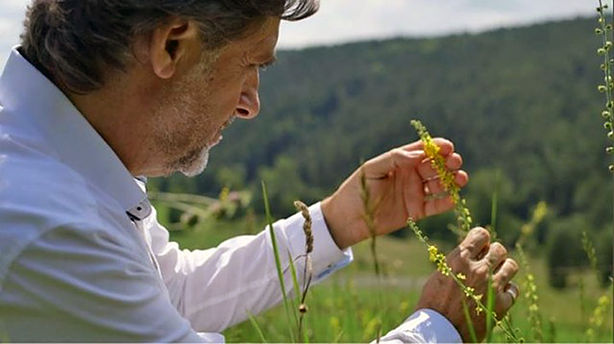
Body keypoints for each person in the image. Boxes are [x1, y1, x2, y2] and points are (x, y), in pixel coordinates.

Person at [0, 0, 519, 342]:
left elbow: (172, 293)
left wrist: (335, 223)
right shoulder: (51, 224)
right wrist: (439, 329)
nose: (251, 104)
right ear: (171, 45)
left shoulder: (61, 163)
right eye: (250, 65)